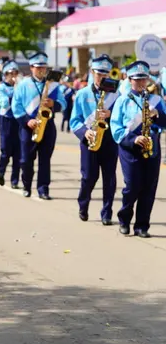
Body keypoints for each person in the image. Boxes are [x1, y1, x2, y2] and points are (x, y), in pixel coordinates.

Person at [110, 60, 166, 238]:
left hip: (152, 147)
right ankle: (124, 219)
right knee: (132, 186)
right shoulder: (123, 100)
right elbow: (116, 128)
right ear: (129, 79)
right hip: (130, 149)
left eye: (144, 79)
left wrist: (158, 115)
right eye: (137, 79)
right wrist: (134, 139)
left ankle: (142, 226)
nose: (141, 83)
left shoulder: (156, 100)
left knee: (149, 187)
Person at [70, 55, 120, 225]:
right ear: (92, 73)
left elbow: (123, 118)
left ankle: (107, 213)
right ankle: (83, 205)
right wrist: (85, 132)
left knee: (109, 178)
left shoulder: (116, 94)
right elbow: (74, 120)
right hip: (89, 139)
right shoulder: (83, 94)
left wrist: (111, 114)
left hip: (109, 140)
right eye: (99, 74)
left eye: (105, 74)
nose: (102, 77)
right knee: (89, 177)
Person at [11, 52, 67, 199]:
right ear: (31, 68)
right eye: (38, 67)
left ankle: (43, 189)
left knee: (45, 160)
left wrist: (54, 104)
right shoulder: (23, 85)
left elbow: (64, 103)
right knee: (26, 160)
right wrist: (26, 121)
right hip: (28, 126)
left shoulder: (53, 85)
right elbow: (16, 106)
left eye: (44, 67)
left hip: (47, 126)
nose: (41, 70)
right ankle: (27, 185)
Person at [0, 60, 21, 188]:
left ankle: (14, 180)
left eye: (15, 73)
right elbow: (4, 102)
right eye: (10, 73)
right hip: (6, 120)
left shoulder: (20, 87)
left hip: (19, 120)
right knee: (6, 151)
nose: (13, 76)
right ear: (5, 75)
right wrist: (16, 93)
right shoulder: (0, 88)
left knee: (18, 152)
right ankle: (1, 172)